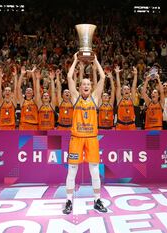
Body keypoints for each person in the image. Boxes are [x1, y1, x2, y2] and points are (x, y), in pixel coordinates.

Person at [63, 53, 107, 215]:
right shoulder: (75, 98)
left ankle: (97, 200)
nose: (86, 85)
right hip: (76, 139)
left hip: (91, 139)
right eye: (83, 84)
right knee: (72, 170)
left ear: (91, 87)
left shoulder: (95, 97)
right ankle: (68, 201)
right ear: (80, 88)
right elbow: (69, 76)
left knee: (94, 170)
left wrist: (95, 60)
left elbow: (102, 78)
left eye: (88, 83)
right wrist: (75, 60)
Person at [0, 66, 17, 130]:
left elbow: (15, 89)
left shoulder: (14, 102)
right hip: (2, 127)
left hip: (12, 127)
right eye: (6, 90)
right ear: (4, 92)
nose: (7, 92)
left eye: (9, 90)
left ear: (11, 93)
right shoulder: (1, 101)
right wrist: (0, 78)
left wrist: (15, 76)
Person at [17, 66, 39, 130]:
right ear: (25, 93)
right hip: (23, 126)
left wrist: (32, 74)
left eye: (30, 90)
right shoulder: (22, 101)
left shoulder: (35, 101)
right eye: (27, 90)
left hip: (34, 126)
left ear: (32, 93)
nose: (28, 91)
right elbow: (18, 88)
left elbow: (35, 88)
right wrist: (21, 74)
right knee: (23, 140)